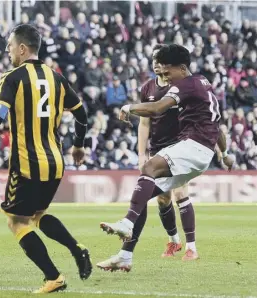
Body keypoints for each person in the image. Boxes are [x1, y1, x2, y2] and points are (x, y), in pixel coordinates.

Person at [0, 24, 92, 293]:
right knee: (38, 214)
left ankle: (53, 276)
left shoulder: (12, 78)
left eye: (9, 46)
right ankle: (77, 249)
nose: (7, 51)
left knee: (16, 221)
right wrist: (78, 146)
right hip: (55, 162)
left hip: (27, 163)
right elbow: (81, 114)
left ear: (22, 48)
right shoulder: (57, 78)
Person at [99, 44, 234, 261]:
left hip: (193, 146)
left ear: (182, 68)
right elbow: (217, 125)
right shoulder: (203, 83)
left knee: (149, 168)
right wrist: (225, 153)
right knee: (144, 193)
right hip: (201, 150)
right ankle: (125, 256)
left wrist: (128, 108)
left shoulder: (185, 85)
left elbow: (156, 108)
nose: (165, 76)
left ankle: (132, 225)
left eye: (168, 71)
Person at [97, 44, 197, 272]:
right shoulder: (148, 88)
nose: (156, 64)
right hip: (157, 150)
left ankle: (191, 246)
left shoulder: (180, 85)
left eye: (160, 60)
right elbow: (144, 123)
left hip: (178, 148)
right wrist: (142, 154)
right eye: (153, 59)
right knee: (162, 199)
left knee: (180, 192)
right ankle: (173, 241)